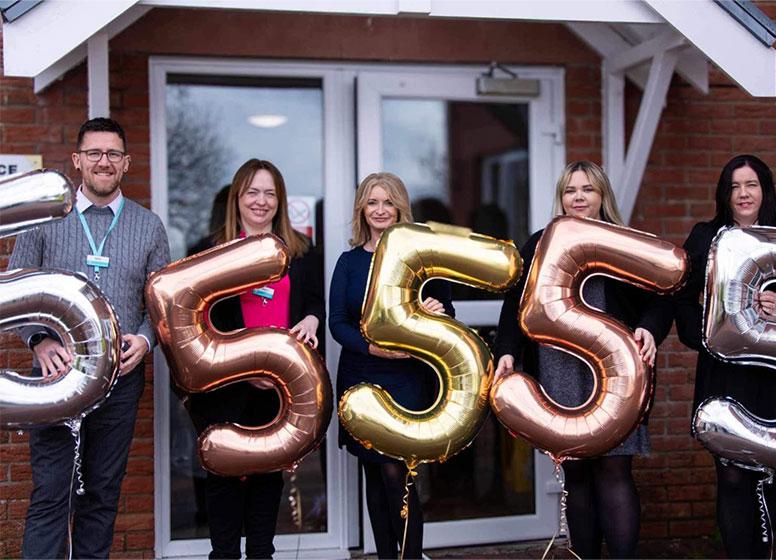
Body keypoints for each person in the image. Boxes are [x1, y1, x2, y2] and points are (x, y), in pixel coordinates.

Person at [8, 117, 170, 558]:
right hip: (55, 379)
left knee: (100, 496)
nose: (104, 161)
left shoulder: (149, 226)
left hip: (120, 381)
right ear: (78, 161)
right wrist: (39, 341)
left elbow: (160, 304)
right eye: (94, 153)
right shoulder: (43, 219)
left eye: (113, 154)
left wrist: (145, 340)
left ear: (126, 163)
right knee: (51, 495)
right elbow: (15, 288)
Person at [494, 160, 671, 559]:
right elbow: (514, 304)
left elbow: (662, 298)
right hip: (558, 367)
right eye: (571, 190)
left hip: (617, 371)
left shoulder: (624, 240)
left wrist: (649, 329)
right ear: (561, 197)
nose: (578, 197)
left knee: (614, 469)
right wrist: (506, 351)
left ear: (602, 196)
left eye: (587, 189)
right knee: (576, 473)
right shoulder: (541, 243)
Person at [673, 154, 776, 559]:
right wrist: (707, 336)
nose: (743, 194)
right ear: (725, 194)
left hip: (773, 378)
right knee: (731, 477)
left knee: (765, 476)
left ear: (765, 190)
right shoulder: (705, 237)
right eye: (735, 186)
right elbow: (683, 303)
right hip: (725, 377)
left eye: (751, 185)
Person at [186, 159, 324, 559]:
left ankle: (262, 555)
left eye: (269, 193)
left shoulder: (301, 250)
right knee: (223, 478)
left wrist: (313, 318)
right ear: (237, 199)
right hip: (226, 386)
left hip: (278, 387)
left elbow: (315, 302)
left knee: (267, 478)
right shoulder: (211, 251)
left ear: (280, 200)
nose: (260, 201)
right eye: (252, 192)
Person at [329, 172, 454, 559]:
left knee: (397, 475)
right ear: (362, 210)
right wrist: (372, 348)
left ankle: (410, 556)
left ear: (400, 207)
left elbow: (448, 310)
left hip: (407, 380)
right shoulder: (349, 262)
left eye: (388, 202)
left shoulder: (422, 259)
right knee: (372, 473)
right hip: (362, 375)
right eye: (372, 202)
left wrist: (439, 310)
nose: (380, 210)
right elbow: (337, 322)